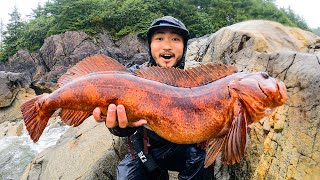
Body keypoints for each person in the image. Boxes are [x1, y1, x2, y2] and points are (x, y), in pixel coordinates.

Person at [93, 16, 213, 180]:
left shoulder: (194, 82)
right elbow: (119, 129)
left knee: (202, 160)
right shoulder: (131, 77)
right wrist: (118, 125)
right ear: (149, 45)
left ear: (184, 46)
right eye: (159, 38)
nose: (167, 46)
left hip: (184, 148)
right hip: (145, 149)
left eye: (176, 39)